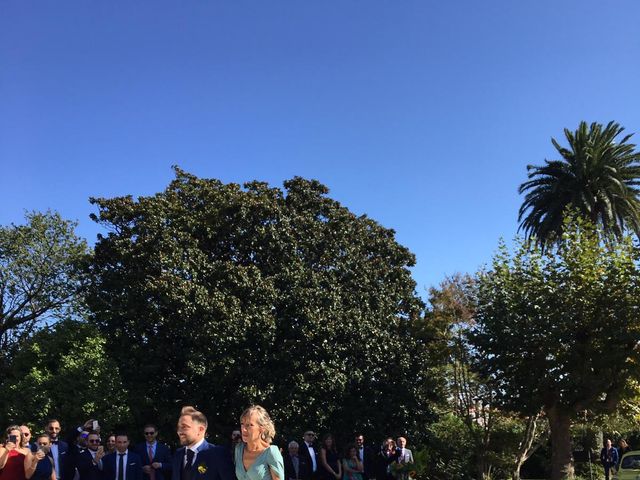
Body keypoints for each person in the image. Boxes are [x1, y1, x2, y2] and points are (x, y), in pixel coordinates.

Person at [171, 406, 233, 480]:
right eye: (179, 427)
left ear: (201, 429)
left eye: (185, 427)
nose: (179, 432)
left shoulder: (218, 454)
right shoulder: (178, 454)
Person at [234, 405, 284, 480]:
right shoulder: (239, 449)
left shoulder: (271, 452)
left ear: (261, 428)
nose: (243, 429)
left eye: (249, 425)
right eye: (242, 424)